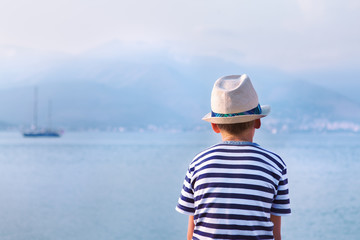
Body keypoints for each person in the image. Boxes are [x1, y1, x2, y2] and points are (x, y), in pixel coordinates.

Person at [176, 74, 291, 240]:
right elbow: (275, 234)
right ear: (258, 122)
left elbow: (191, 232)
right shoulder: (275, 165)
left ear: (214, 125)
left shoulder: (198, 164)